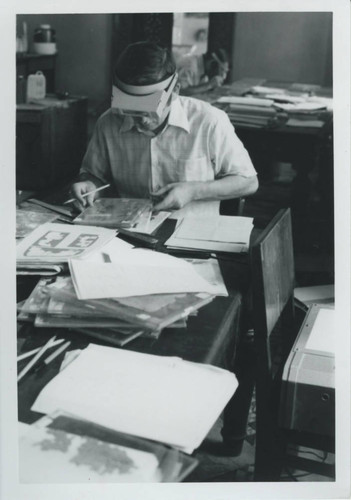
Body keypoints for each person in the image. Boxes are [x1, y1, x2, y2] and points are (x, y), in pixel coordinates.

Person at [71, 42, 258, 213]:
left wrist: (193, 191)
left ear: (175, 90)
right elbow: (94, 175)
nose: (142, 120)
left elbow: (249, 182)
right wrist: (89, 185)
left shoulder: (209, 121)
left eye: (151, 110)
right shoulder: (108, 123)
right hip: (128, 234)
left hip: (191, 239)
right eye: (131, 110)